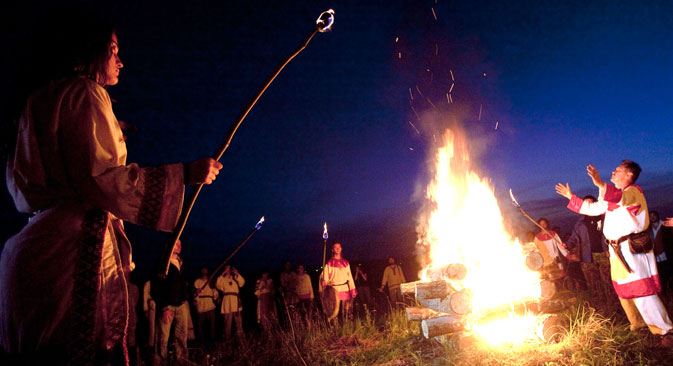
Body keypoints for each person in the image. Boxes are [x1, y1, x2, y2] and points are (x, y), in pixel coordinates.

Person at [0, 12, 223, 364]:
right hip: (73, 252)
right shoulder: (85, 92)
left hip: (33, 250)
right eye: (113, 49)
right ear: (89, 51)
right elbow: (103, 180)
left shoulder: (35, 102)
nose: (121, 60)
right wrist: (184, 173)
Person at [555, 160, 673, 346]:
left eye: (618, 170)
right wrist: (571, 196)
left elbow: (618, 198)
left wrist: (601, 183)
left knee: (641, 290)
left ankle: (665, 331)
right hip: (617, 252)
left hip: (631, 250)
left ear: (629, 176)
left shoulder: (633, 192)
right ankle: (638, 324)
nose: (613, 171)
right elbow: (594, 208)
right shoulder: (613, 198)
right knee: (624, 291)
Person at [565, 195, 613, 303]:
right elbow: (574, 237)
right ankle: (599, 303)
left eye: (590, 203)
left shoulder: (604, 218)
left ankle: (613, 303)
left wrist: (610, 248)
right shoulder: (580, 223)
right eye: (585, 203)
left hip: (604, 254)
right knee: (592, 280)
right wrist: (567, 245)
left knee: (608, 279)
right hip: (587, 256)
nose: (587, 205)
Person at [151, 240, 191, 366]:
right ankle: (160, 362)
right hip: (167, 306)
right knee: (163, 338)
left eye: (180, 244)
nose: (179, 246)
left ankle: (182, 361)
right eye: (176, 244)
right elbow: (156, 287)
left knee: (181, 336)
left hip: (181, 304)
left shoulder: (181, 262)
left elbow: (183, 284)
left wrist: (193, 292)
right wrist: (163, 307)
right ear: (169, 245)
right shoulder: (162, 263)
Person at [320, 242, 357, 320]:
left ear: (341, 249)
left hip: (345, 288)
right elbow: (325, 275)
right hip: (334, 290)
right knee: (334, 311)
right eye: (335, 247)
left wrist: (353, 290)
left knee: (347, 311)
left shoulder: (346, 262)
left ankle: (348, 327)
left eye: (339, 247)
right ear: (332, 250)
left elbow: (349, 277)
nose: (337, 249)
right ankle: (334, 329)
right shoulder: (329, 263)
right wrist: (324, 281)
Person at [533, 218, 569, 286]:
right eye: (541, 224)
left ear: (547, 224)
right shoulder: (537, 238)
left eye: (544, 224)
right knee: (551, 280)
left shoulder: (553, 234)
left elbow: (560, 246)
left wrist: (567, 255)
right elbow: (535, 250)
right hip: (545, 262)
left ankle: (565, 292)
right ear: (538, 225)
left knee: (561, 278)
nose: (543, 226)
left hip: (556, 259)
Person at [216, 265, 245, 341]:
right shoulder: (222, 279)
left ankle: (240, 338)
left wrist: (237, 274)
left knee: (238, 321)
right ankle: (226, 338)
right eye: (226, 269)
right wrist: (222, 274)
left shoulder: (235, 278)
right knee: (227, 322)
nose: (228, 270)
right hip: (227, 302)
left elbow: (242, 283)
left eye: (229, 268)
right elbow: (218, 286)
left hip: (236, 301)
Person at [193, 267, 218, 349]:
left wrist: (216, 298)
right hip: (201, 304)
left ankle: (213, 340)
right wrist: (195, 300)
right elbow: (195, 292)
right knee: (200, 325)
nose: (204, 271)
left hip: (210, 304)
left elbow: (214, 291)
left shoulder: (211, 281)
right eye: (202, 269)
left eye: (205, 269)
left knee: (212, 324)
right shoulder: (197, 281)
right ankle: (200, 341)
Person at [648, 211, 673, 292]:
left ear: (657, 216)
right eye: (650, 216)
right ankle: (665, 294)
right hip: (656, 258)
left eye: (654, 215)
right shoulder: (649, 230)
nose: (652, 217)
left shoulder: (665, 225)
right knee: (662, 277)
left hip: (668, 255)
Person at [142, 280, 157, 350]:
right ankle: (151, 344)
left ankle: (156, 343)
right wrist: (145, 308)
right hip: (152, 305)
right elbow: (145, 296)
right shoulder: (148, 283)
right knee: (152, 326)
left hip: (161, 305)